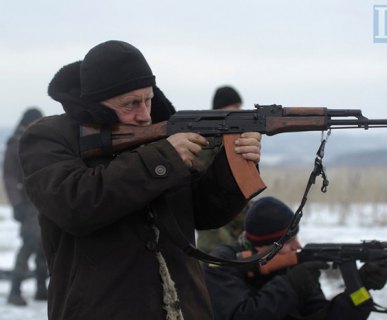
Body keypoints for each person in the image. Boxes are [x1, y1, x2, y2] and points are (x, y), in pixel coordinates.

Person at [18, 40, 262, 320]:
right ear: (95, 102)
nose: (144, 115)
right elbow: (75, 204)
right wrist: (162, 159)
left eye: (148, 99)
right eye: (131, 104)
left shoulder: (159, 133)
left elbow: (202, 212)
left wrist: (234, 164)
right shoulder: (49, 137)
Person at [203, 196, 387, 320]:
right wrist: (291, 285)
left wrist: (360, 290)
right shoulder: (223, 263)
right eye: (290, 240)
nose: (298, 246)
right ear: (263, 245)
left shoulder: (292, 265)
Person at [3, 107, 48, 306]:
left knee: (43, 247)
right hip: (28, 204)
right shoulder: (16, 144)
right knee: (29, 245)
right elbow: (10, 177)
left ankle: (41, 288)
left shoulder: (38, 141)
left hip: (42, 202)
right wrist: (17, 204)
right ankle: (15, 290)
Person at [196, 85, 250, 253]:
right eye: (234, 108)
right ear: (220, 109)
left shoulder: (229, 136)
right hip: (213, 230)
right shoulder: (205, 138)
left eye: (239, 107)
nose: (238, 112)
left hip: (231, 219)